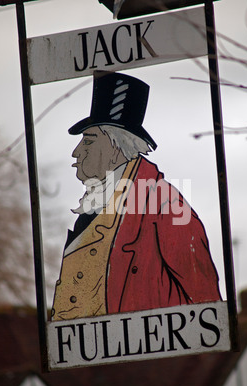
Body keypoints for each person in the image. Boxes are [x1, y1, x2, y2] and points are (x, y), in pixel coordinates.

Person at [51, 71, 221, 322]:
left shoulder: (166, 203)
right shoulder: (93, 206)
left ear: (115, 146)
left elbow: (206, 303)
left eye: (88, 140)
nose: (76, 153)